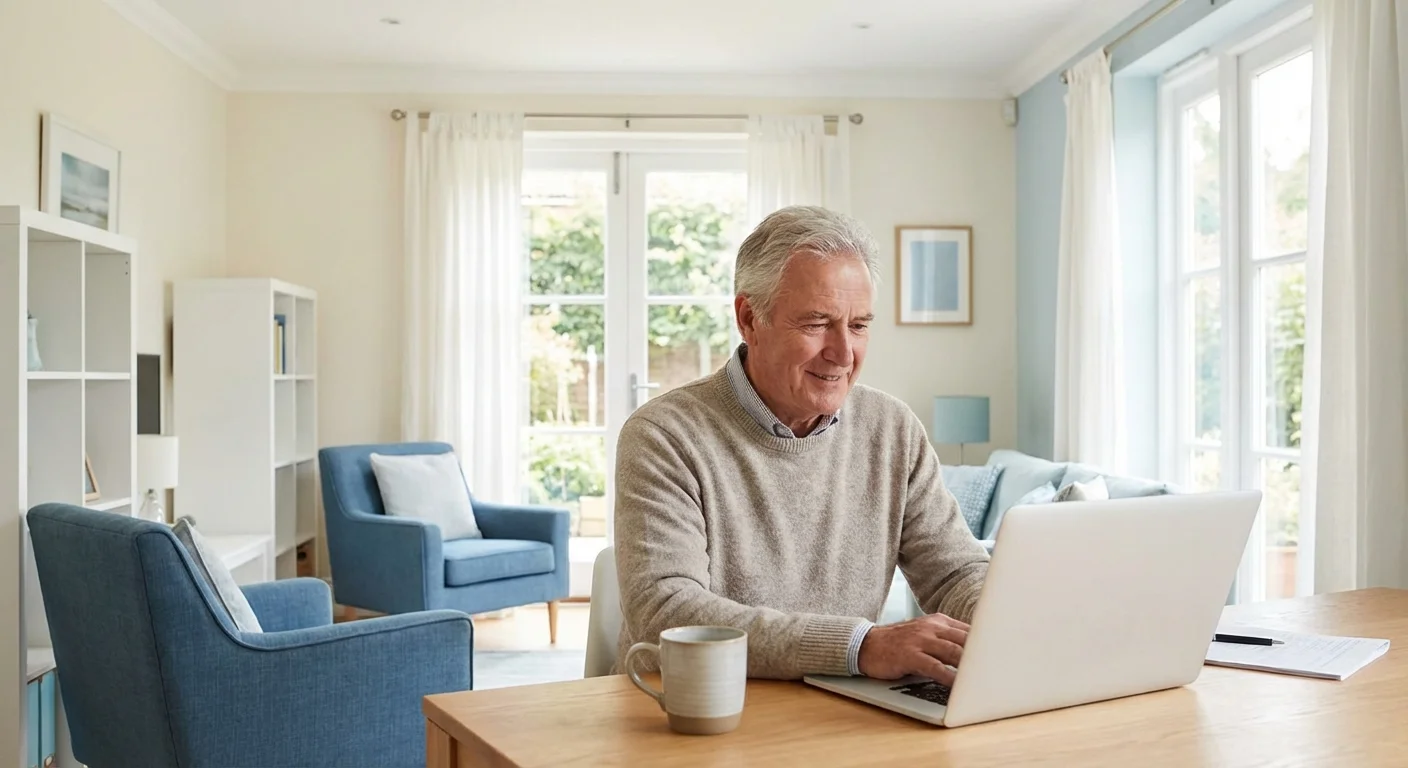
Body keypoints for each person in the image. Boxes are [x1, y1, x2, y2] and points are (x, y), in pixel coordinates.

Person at [612, 205, 988, 686]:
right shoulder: (664, 435)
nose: (843, 354)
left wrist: (1001, 621)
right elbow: (667, 612)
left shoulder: (893, 429)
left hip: (839, 711)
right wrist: (860, 646)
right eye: (816, 324)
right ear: (750, 318)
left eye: (858, 325)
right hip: (686, 712)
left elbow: (954, 573)